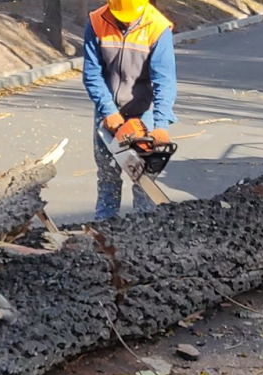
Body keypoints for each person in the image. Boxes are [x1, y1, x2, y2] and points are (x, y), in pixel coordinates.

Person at [82, 0, 177, 221]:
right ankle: (104, 226)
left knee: (144, 180)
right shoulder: (97, 22)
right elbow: (92, 74)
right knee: (108, 175)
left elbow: (164, 81)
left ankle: (142, 228)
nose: (125, 20)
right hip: (108, 110)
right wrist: (108, 111)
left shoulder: (157, 27)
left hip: (143, 111)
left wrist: (161, 125)